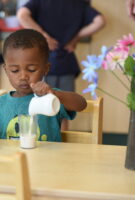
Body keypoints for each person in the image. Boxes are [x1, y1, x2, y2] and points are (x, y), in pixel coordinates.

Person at [16, 0, 105, 129]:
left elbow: (22, 15)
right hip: (66, 63)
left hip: (43, 62)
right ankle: (62, 142)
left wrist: (43, 36)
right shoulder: (79, 4)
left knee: (40, 107)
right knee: (63, 109)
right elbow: (100, 21)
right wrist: (77, 37)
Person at [0, 29, 87, 142]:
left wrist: (55, 94)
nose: (23, 76)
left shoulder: (50, 98)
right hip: (13, 158)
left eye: (31, 69)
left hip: (48, 158)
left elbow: (81, 104)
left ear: (46, 69)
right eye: (15, 70)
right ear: (6, 70)